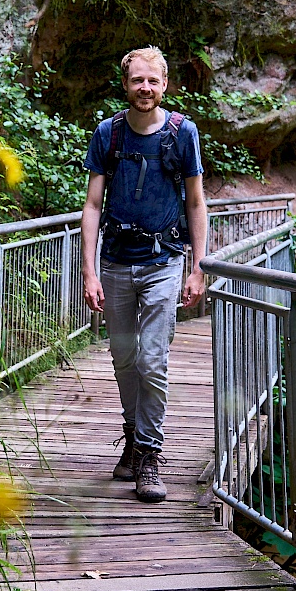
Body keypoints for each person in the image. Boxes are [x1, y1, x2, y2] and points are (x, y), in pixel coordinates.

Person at [80, 46, 207, 503]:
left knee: (152, 358)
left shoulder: (181, 134)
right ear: (126, 84)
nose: (145, 89)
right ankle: (133, 436)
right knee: (123, 358)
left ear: (165, 84)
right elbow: (93, 205)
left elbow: (196, 202)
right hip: (115, 261)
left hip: (164, 260)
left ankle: (150, 454)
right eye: (137, 81)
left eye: (153, 81)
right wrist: (88, 271)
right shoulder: (108, 134)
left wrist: (198, 266)